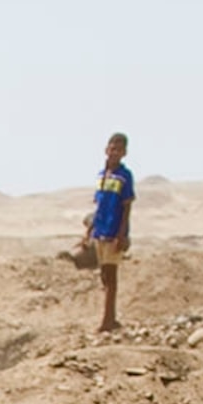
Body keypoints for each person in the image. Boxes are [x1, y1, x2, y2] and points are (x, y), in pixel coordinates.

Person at [83, 132, 136, 333]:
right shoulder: (101, 176)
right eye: (112, 148)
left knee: (111, 276)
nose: (114, 152)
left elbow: (126, 206)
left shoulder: (124, 176)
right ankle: (109, 318)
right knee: (104, 276)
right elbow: (99, 206)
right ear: (106, 149)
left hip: (114, 232)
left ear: (124, 153)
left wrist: (122, 234)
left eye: (118, 149)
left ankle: (108, 320)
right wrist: (89, 231)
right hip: (100, 231)